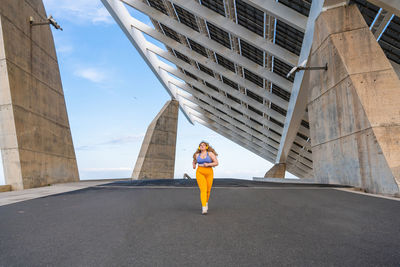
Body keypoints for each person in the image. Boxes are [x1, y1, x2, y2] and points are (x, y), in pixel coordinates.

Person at [192, 141, 219, 215]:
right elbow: (194, 161)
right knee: (203, 189)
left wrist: (208, 164)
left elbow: (216, 163)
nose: (202, 146)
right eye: (200, 145)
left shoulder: (210, 154)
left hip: (209, 172)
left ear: (206, 147)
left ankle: (206, 202)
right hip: (200, 172)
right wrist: (194, 165)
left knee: (208, 190)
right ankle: (204, 207)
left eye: (203, 145)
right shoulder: (197, 155)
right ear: (199, 147)